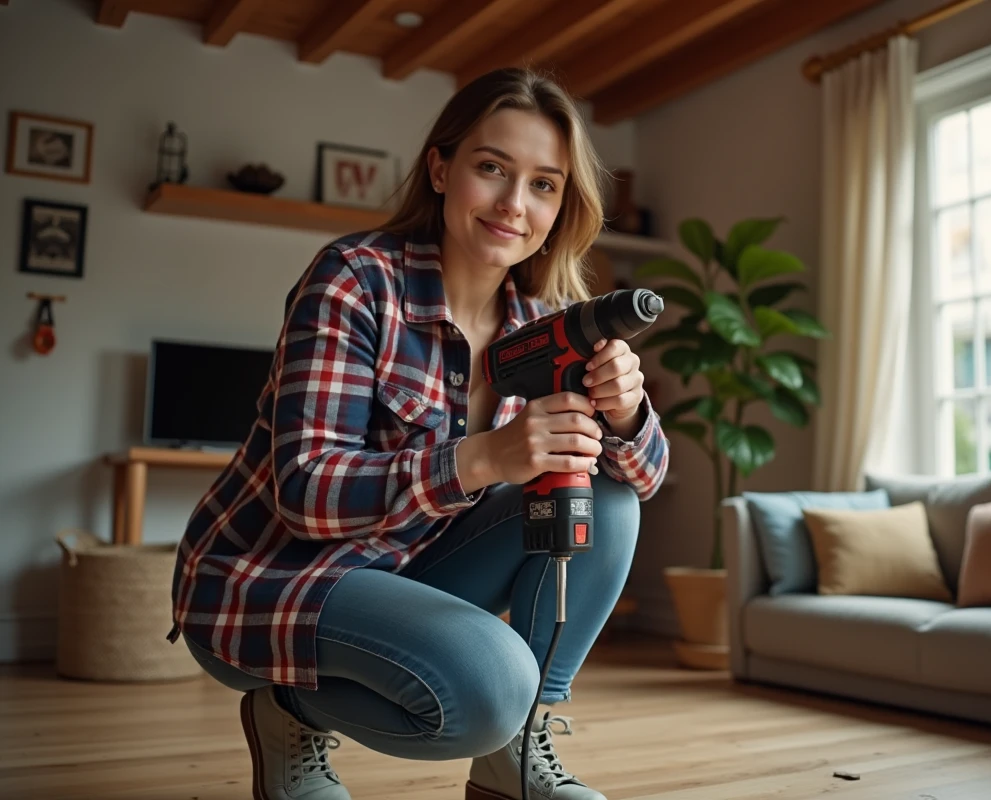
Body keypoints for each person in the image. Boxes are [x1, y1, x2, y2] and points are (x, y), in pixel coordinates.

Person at [166, 67, 670, 800]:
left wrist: (626, 415)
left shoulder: (547, 321)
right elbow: (305, 491)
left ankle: (514, 757)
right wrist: (487, 455)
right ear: (441, 168)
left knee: (609, 499)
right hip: (268, 578)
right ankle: (289, 710)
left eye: (543, 184)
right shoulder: (355, 279)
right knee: (490, 685)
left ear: (562, 205)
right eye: (492, 168)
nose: (513, 204)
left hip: (411, 568)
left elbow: (646, 481)